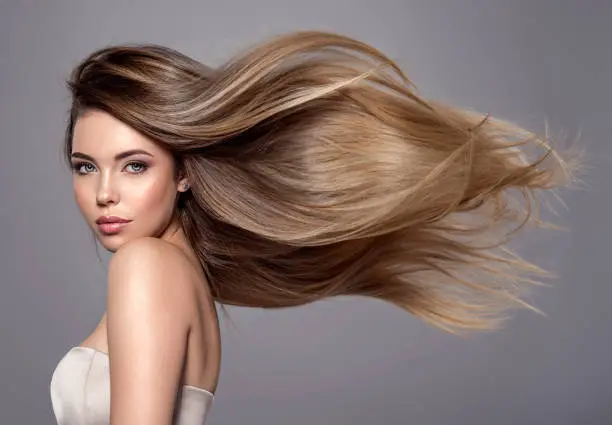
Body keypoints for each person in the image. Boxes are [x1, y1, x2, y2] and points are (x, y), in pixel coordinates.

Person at [49, 30, 580, 425]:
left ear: (184, 171)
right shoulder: (183, 276)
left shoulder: (145, 266)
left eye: (134, 164)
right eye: (84, 166)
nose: (103, 193)